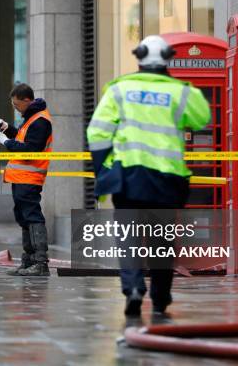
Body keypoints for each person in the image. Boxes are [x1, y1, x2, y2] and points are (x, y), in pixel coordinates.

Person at [86, 35, 210, 316]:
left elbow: (97, 131)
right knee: (161, 242)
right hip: (167, 180)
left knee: (128, 238)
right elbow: (202, 118)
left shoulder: (120, 89)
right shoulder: (182, 91)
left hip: (129, 177)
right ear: (168, 58)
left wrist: (104, 168)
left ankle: (132, 288)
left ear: (138, 57)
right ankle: (160, 297)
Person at [0, 84, 53, 277]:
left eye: (17, 105)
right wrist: (8, 129)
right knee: (24, 218)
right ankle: (29, 261)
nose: (16, 108)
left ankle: (40, 262)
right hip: (21, 178)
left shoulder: (40, 120)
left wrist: (6, 142)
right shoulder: (31, 119)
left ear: (27, 100)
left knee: (32, 216)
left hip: (30, 177)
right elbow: (22, 139)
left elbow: (30, 149)